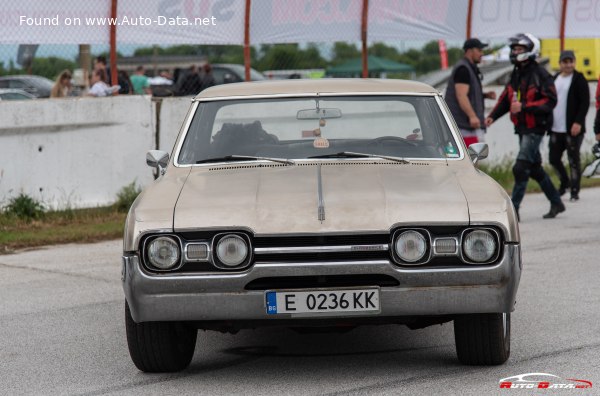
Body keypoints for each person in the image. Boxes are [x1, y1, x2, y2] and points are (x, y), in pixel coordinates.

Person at [485, 33, 565, 219]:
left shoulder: (541, 74)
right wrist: (492, 117)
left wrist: (525, 107)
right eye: (514, 49)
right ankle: (556, 202)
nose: (515, 52)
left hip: (536, 128)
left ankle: (514, 210)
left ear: (530, 51)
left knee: (520, 168)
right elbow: (506, 98)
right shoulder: (516, 73)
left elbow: (550, 100)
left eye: (519, 49)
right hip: (521, 127)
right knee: (534, 168)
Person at [548, 50, 590, 201]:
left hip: (572, 128)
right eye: (565, 62)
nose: (568, 64)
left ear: (574, 62)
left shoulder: (579, 79)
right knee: (553, 159)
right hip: (555, 128)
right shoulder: (554, 79)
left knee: (573, 160)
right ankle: (564, 182)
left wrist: (578, 122)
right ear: (560, 63)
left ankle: (574, 190)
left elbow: (585, 103)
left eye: (571, 61)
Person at [445, 38, 496, 147]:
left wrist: (485, 95)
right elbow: (461, 95)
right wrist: (472, 116)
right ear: (469, 51)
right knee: (471, 160)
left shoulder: (469, 68)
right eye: (479, 50)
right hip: (463, 126)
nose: (482, 54)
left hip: (467, 126)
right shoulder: (463, 69)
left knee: (475, 159)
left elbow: (467, 94)